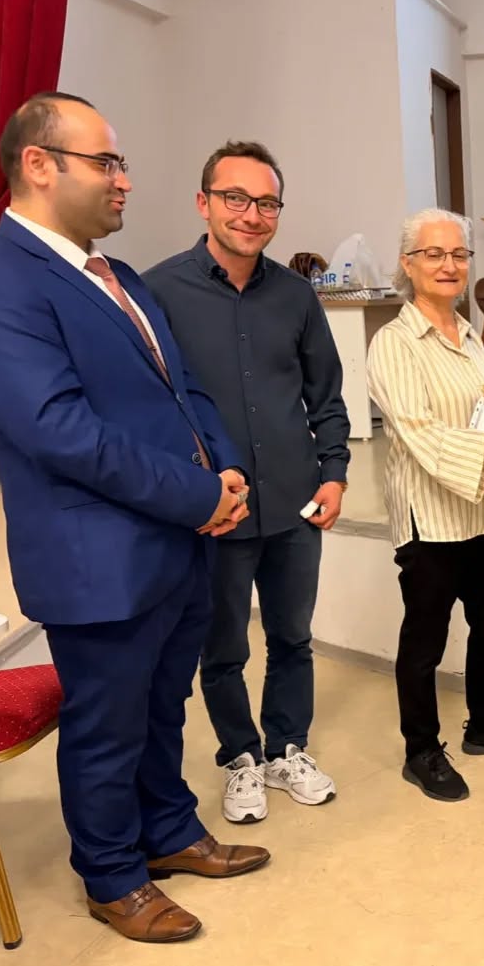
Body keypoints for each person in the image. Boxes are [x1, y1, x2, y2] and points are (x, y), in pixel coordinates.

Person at [0, 92, 269, 943]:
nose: (124, 180)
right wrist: (197, 496)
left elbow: (182, 387)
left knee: (163, 707)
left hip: (176, 541)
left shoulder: (116, 275)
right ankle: (112, 875)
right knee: (107, 725)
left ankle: (168, 832)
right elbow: (59, 431)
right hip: (98, 556)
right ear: (39, 164)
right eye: (106, 162)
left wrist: (226, 469)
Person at [144, 142, 350, 824]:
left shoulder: (295, 295)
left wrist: (335, 473)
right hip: (215, 510)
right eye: (235, 198)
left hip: (294, 501)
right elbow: (151, 404)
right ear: (203, 202)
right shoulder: (158, 292)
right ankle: (240, 756)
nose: (251, 214)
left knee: (293, 637)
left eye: (266, 203)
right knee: (223, 647)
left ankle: (287, 749)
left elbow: (327, 397)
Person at [365, 208, 484, 803]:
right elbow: (418, 431)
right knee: (425, 641)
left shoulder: (470, 337)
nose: (449, 265)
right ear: (408, 263)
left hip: (482, 509)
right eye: (434, 254)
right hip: (430, 517)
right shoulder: (393, 343)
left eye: (459, 255)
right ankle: (421, 750)